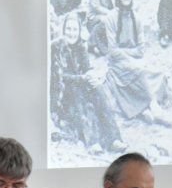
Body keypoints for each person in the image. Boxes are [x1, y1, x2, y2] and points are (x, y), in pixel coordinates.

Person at [50, 11, 125, 154]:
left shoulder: (81, 46)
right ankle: (92, 142)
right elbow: (58, 77)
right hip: (62, 93)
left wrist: (91, 75)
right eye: (68, 29)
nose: (71, 33)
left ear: (79, 31)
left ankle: (114, 139)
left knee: (98, 90)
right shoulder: (55, 47)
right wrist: (82, 78)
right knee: (77, 92)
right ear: (63, 30)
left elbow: (87, 67)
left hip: (79, 85)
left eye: (75, 30)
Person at [100, 0, 171, 125]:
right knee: (139, 72)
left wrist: (131, 56)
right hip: (118, 65)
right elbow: (112, 51)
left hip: (135, 62)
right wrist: (131, 57)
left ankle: (142, 110)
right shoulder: (111, 18)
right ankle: (154, 107)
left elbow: (141, 50)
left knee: (159, 75)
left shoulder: (137, 18)